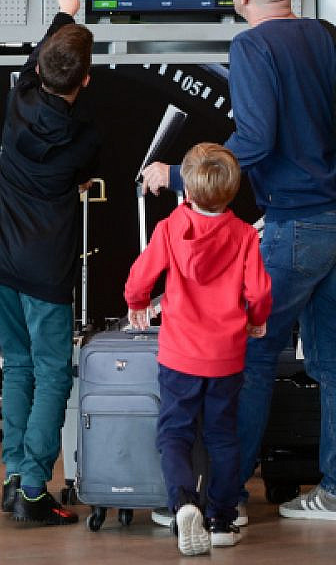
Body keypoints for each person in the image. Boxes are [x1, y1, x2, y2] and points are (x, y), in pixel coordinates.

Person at [141, 0, 336, 524]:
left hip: (298, 223)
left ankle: (225, 501)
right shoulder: (323, 34)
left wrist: (178, 175)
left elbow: (259, 139)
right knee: (332, 358)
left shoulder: (252, 45)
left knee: (254, 353)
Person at [0, 0, 100, 526]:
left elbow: (41, 59)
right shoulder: (84, 138)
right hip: (44, 270)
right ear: (87, 81)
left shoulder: (18, 98)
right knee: (52, 373)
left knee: (18, 368)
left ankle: (12, 477)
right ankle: (32, 490)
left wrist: (61, 13)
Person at [125, 143, 271, 555]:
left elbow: (141, 275)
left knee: (174, 434)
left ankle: (183, 503)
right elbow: (259, 290)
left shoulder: (171, 227)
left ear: (186, 190)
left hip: (179, 355)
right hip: (226, 356)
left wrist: (137, 304)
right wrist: (256, 319)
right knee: (223, 437)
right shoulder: (244, 235)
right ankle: (221, 520)